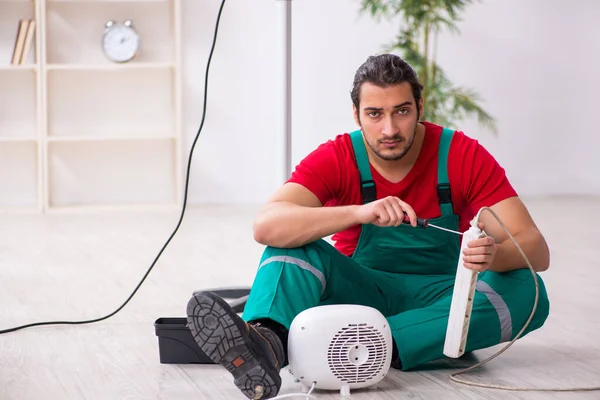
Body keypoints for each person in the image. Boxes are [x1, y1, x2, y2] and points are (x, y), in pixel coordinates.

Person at [186, 53, 551, 399]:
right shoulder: (340, 156)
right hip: (359, 295)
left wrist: (493, 256)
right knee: (289, 246)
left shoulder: (459, 155)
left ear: (420, 109)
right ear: (357, 115)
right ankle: (267, 343)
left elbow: (536, 248)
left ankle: (352, 345)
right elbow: (266, 226)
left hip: (444, 299)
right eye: (375, 114)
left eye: (402, 112)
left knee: (529, 290)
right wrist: (359, 212)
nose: (389, 128)